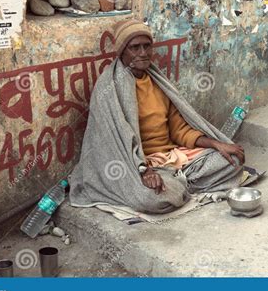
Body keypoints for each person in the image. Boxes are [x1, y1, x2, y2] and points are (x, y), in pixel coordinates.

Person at [69, 19, 246, 214]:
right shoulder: (108, 88)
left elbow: (179, 130)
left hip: (171, 157)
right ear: (122, 52)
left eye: (147, 46)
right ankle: (177, 185)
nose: (143, 53)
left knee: (232, 161)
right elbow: (112, 143)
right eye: (135, 48)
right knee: (150, 198)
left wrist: (216, 144)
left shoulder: (157, 81)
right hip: (134, 163)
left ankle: (177, 184)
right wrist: (144, 170)